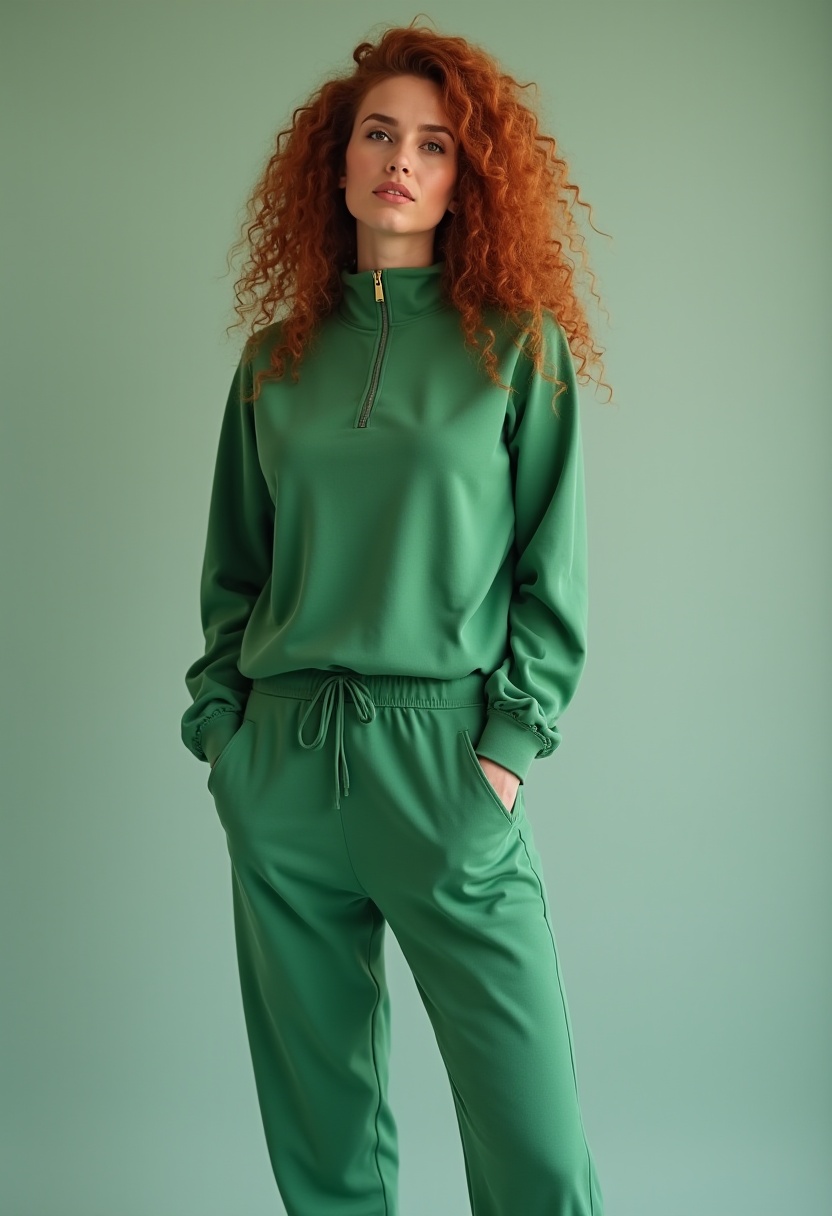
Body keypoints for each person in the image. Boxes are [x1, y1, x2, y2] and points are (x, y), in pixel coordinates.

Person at [181, 18, 609, 1216]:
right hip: (284, 758)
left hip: (443, 764)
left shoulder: (518, 354)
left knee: (534, 1142)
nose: (401, 161)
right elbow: (234, 572)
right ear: (338, 162)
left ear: (467, 179)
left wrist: (503, 753)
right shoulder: (274, 361)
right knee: (323, 1144)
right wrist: (224, 737)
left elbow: (551, 576)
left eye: (433, 144)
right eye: (379, 134)